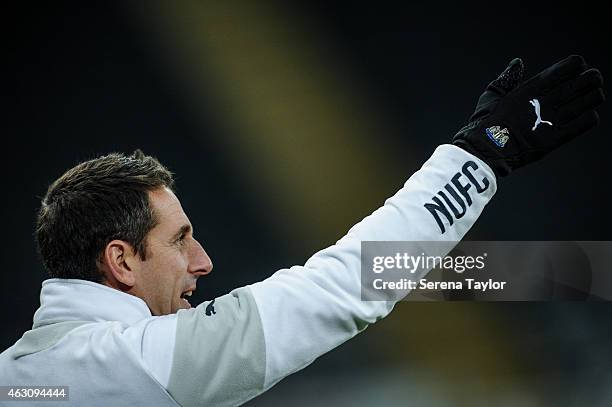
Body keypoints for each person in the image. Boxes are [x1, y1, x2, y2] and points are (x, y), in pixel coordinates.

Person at [0, 55, 604, 406]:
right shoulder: (132, 367)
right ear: (121, 261)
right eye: (179, 240)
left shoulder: (21, 379)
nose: (202, 261)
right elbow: (346, 285)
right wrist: (479, 157)